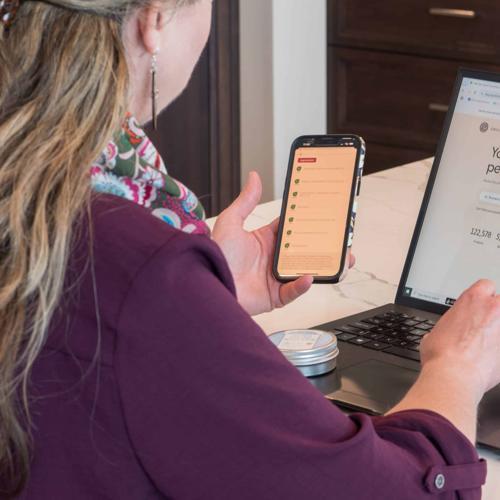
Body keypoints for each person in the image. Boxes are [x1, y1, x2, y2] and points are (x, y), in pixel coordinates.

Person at [0, 0, 496, 498]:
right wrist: (456, 368)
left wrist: (210, 299)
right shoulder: (141, 267)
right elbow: (393, 492)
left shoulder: (37, 195)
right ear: (154, 20)